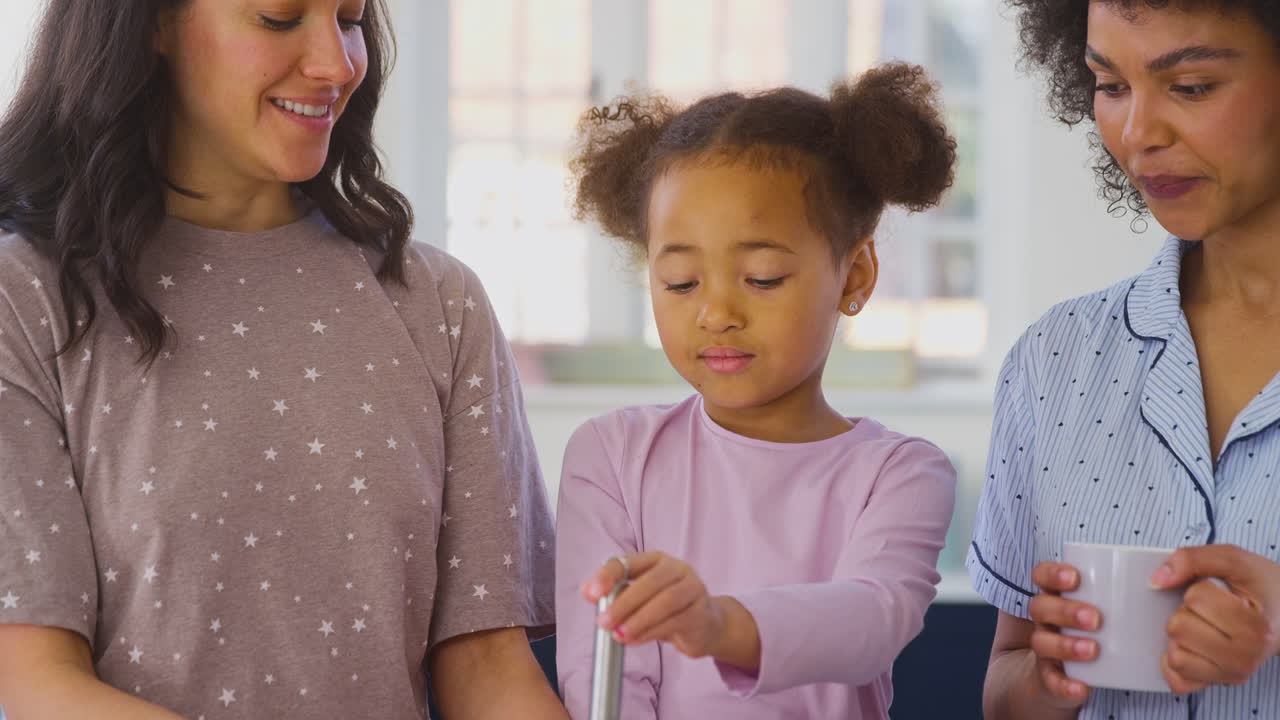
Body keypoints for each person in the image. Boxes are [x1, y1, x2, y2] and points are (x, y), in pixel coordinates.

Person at [0, 1, 566, 718]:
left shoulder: (439, 303)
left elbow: (488, 669)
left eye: (351, 18)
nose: (335, 64)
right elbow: (33, 679)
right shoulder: (25, 300)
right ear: (152, 23)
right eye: (278, 16)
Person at [554, 63, 959, 719]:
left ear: (854, 274)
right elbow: (601, 675)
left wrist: (717, 623)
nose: (715, 313)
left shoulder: (900, 471)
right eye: (682, 282)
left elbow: (873, 620)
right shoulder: (611, 455)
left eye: (763, 277)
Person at [969, 2, 1280, 718]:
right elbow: (1004, 688)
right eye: (1110, 85)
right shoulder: (1053, 362)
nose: (1138, 133)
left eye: (1192, 87)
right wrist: (1053, 678)